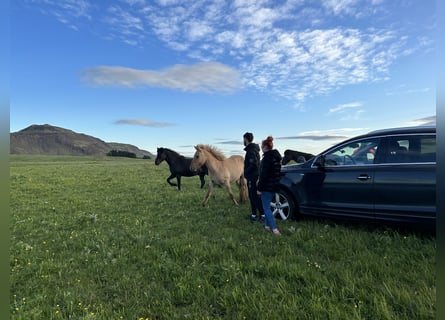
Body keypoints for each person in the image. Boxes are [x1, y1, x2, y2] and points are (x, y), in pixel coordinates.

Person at [257, 136, 282, 235]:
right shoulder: (276, 157)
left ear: (264, 147)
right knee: (267, 206)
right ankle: (267, 226)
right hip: (274, 186)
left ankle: (275, 230)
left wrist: (259, 188)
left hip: (266, 186)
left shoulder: (267, 158)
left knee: (266, 208)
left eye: (262, 146)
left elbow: (264, 175)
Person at [243, 132, 264, 222]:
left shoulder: (251, 151)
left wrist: (246, 172)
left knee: (253, 196)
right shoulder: (254, 149)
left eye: (243, 139)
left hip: (252, 177)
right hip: (254, 176)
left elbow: (253, 164)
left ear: (246, 139)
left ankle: (260, 215)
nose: (243, 141)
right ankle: (255, 214)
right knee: (254, 196)